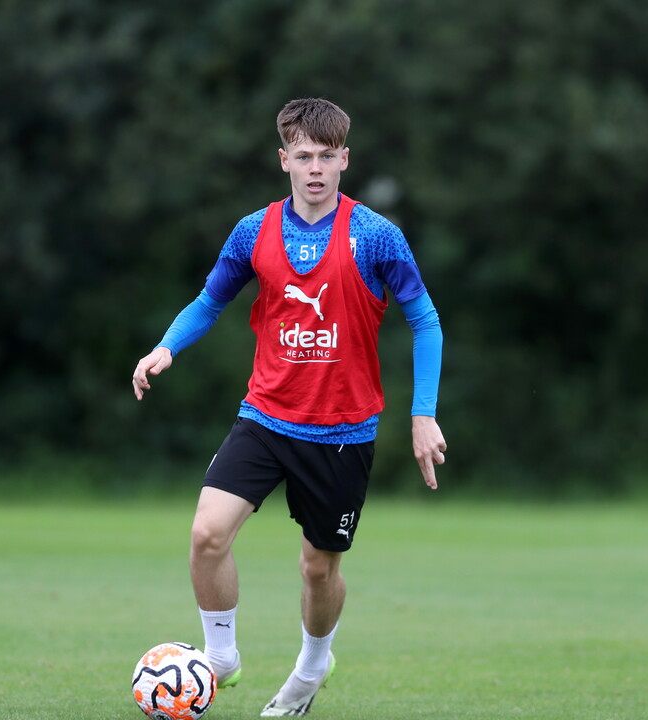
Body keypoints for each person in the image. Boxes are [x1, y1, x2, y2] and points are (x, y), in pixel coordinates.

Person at [131, 98, 446, 716]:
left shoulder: (376, 235)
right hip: (265, 416)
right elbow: (209, 300)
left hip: (342, 432)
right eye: (303, 156)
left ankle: (311, 664)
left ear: (345, 160)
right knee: (207, 534)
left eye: (328, 156)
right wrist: (167, 346)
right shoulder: (254, 231)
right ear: (284, 161)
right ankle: (220, 659)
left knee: (317, 570)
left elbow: (425, 320)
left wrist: (423, 412)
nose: (316, 168)